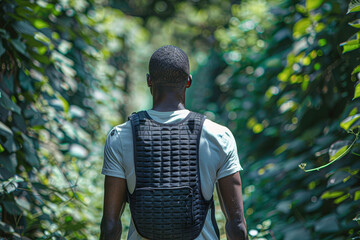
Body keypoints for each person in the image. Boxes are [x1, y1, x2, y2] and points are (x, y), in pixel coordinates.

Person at [100, 45, 248, 240]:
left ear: (149, 81)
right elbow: (236, 224)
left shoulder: (119, 136)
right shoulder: (219, 136)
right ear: (189, 82)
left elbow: (110, 225)